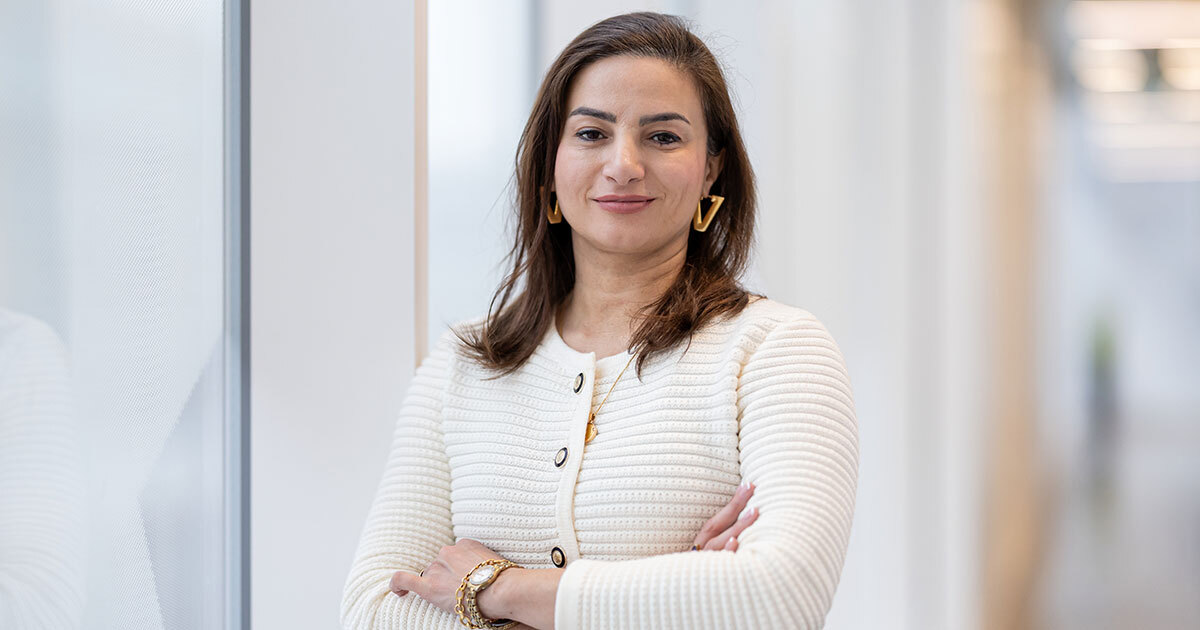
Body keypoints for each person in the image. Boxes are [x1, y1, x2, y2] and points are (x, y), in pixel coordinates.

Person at [341, 11, 858, 630]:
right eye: (591, 133)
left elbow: (780, 597)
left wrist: (493, 589)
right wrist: (675, 600)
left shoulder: (777, 351)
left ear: (711, 169)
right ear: (550, 164)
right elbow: (372, 609)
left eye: (663, 137)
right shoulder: (464, 362)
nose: (624, 164)